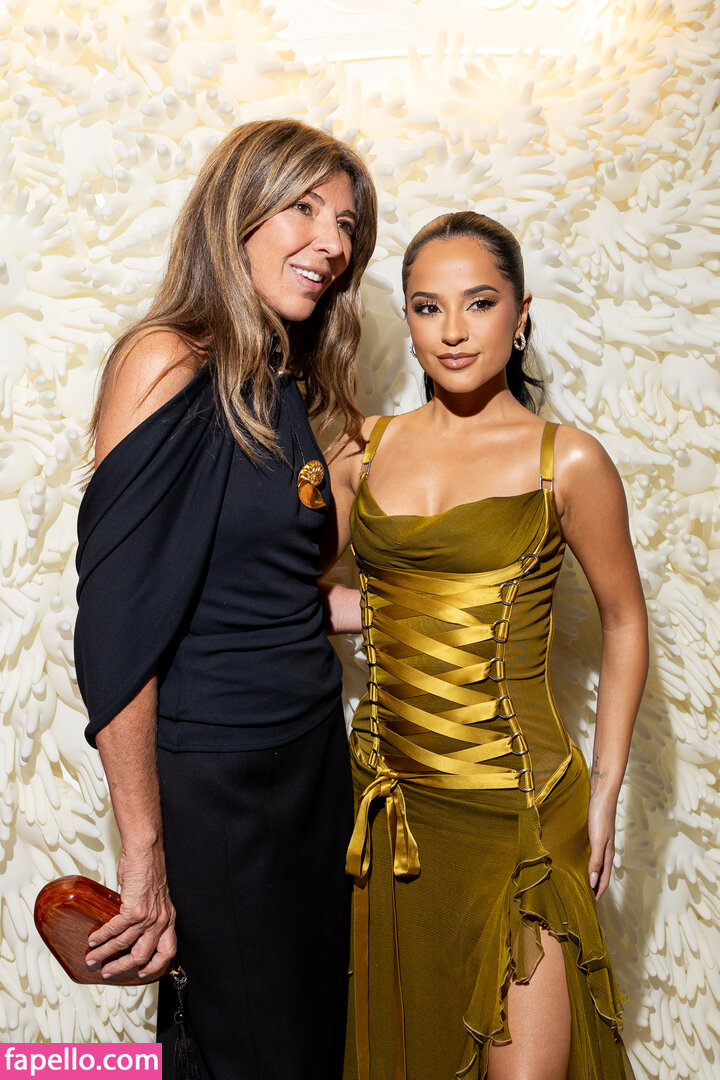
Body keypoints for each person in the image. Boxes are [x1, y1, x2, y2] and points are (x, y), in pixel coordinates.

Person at [73, 118, 378, 1080]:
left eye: (346, 224)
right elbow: (119, 629)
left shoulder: (281, 382)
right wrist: (144, 851)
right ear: (236, 213)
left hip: (314, 761)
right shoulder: (166, 358)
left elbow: (272, 593)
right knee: (251, 1053)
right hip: (219, 781)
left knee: (316, 1042)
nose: (331, 242)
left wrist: (424, 609)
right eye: (304, 209)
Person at [327, 212, 648, 1079]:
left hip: (522, 814)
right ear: (407, 318)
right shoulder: (361, 449)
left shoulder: (567, 462)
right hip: (391, 812)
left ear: (521, 312)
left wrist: (606, 791)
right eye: (428, 307)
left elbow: (625, 620)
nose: (454, 331)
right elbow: (290, 594)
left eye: (479, 303)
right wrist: (385, 612)